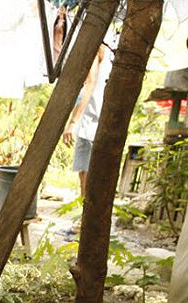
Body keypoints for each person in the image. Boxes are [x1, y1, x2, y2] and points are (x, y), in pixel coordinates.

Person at [62, 43, 112, 199]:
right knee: (91, 171)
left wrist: (72, 122)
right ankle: (87, 214)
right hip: (100, 117)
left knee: (86, 172)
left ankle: (85, 216)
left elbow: (90, 83)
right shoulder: (111, 51)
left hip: (89, 119)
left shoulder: (95, 47)